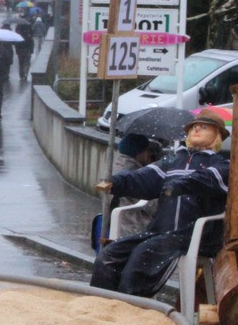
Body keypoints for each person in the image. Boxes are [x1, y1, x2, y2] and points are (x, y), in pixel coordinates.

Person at [91, 112, 230, 297]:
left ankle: (130, 308)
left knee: (141, 258)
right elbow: (143, 178)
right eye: (193, 127)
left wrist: (181, 184)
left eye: (204, 127)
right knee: (108, 256)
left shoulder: (221, 164)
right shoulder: (172, 161)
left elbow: (208, 179)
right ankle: (101, 305)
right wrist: (115, 182)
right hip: (160, 231)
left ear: (217, 136)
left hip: (193, 235)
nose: (196, 129)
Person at [103, 134, 164, 239]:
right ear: (140, 152)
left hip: (113, 226)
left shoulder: (111, 169)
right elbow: (153, 208)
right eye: (146, 151)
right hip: (134, 231)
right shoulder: (134, 176)